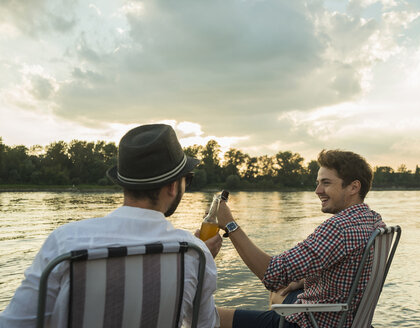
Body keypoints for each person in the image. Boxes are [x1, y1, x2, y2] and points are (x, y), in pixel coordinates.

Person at [0, 124, 222, 328]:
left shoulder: (65, 242)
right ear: (173, 186)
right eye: (187, 180)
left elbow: (15, 324)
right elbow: (205, 325)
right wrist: (203, 256)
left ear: (125, 184)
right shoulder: (194, 253)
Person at [216, 149, 385, 328]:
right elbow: (354, 269)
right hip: (350, 318)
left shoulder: (340, 228)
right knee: (281, 290)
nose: (317, 190)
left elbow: (273, 274)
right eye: (318, 183)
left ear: (353, 187)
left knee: (207, 316)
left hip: (313, 322)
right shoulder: (373, 220)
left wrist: (230, 224)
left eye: (326, 183)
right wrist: (304, 280)